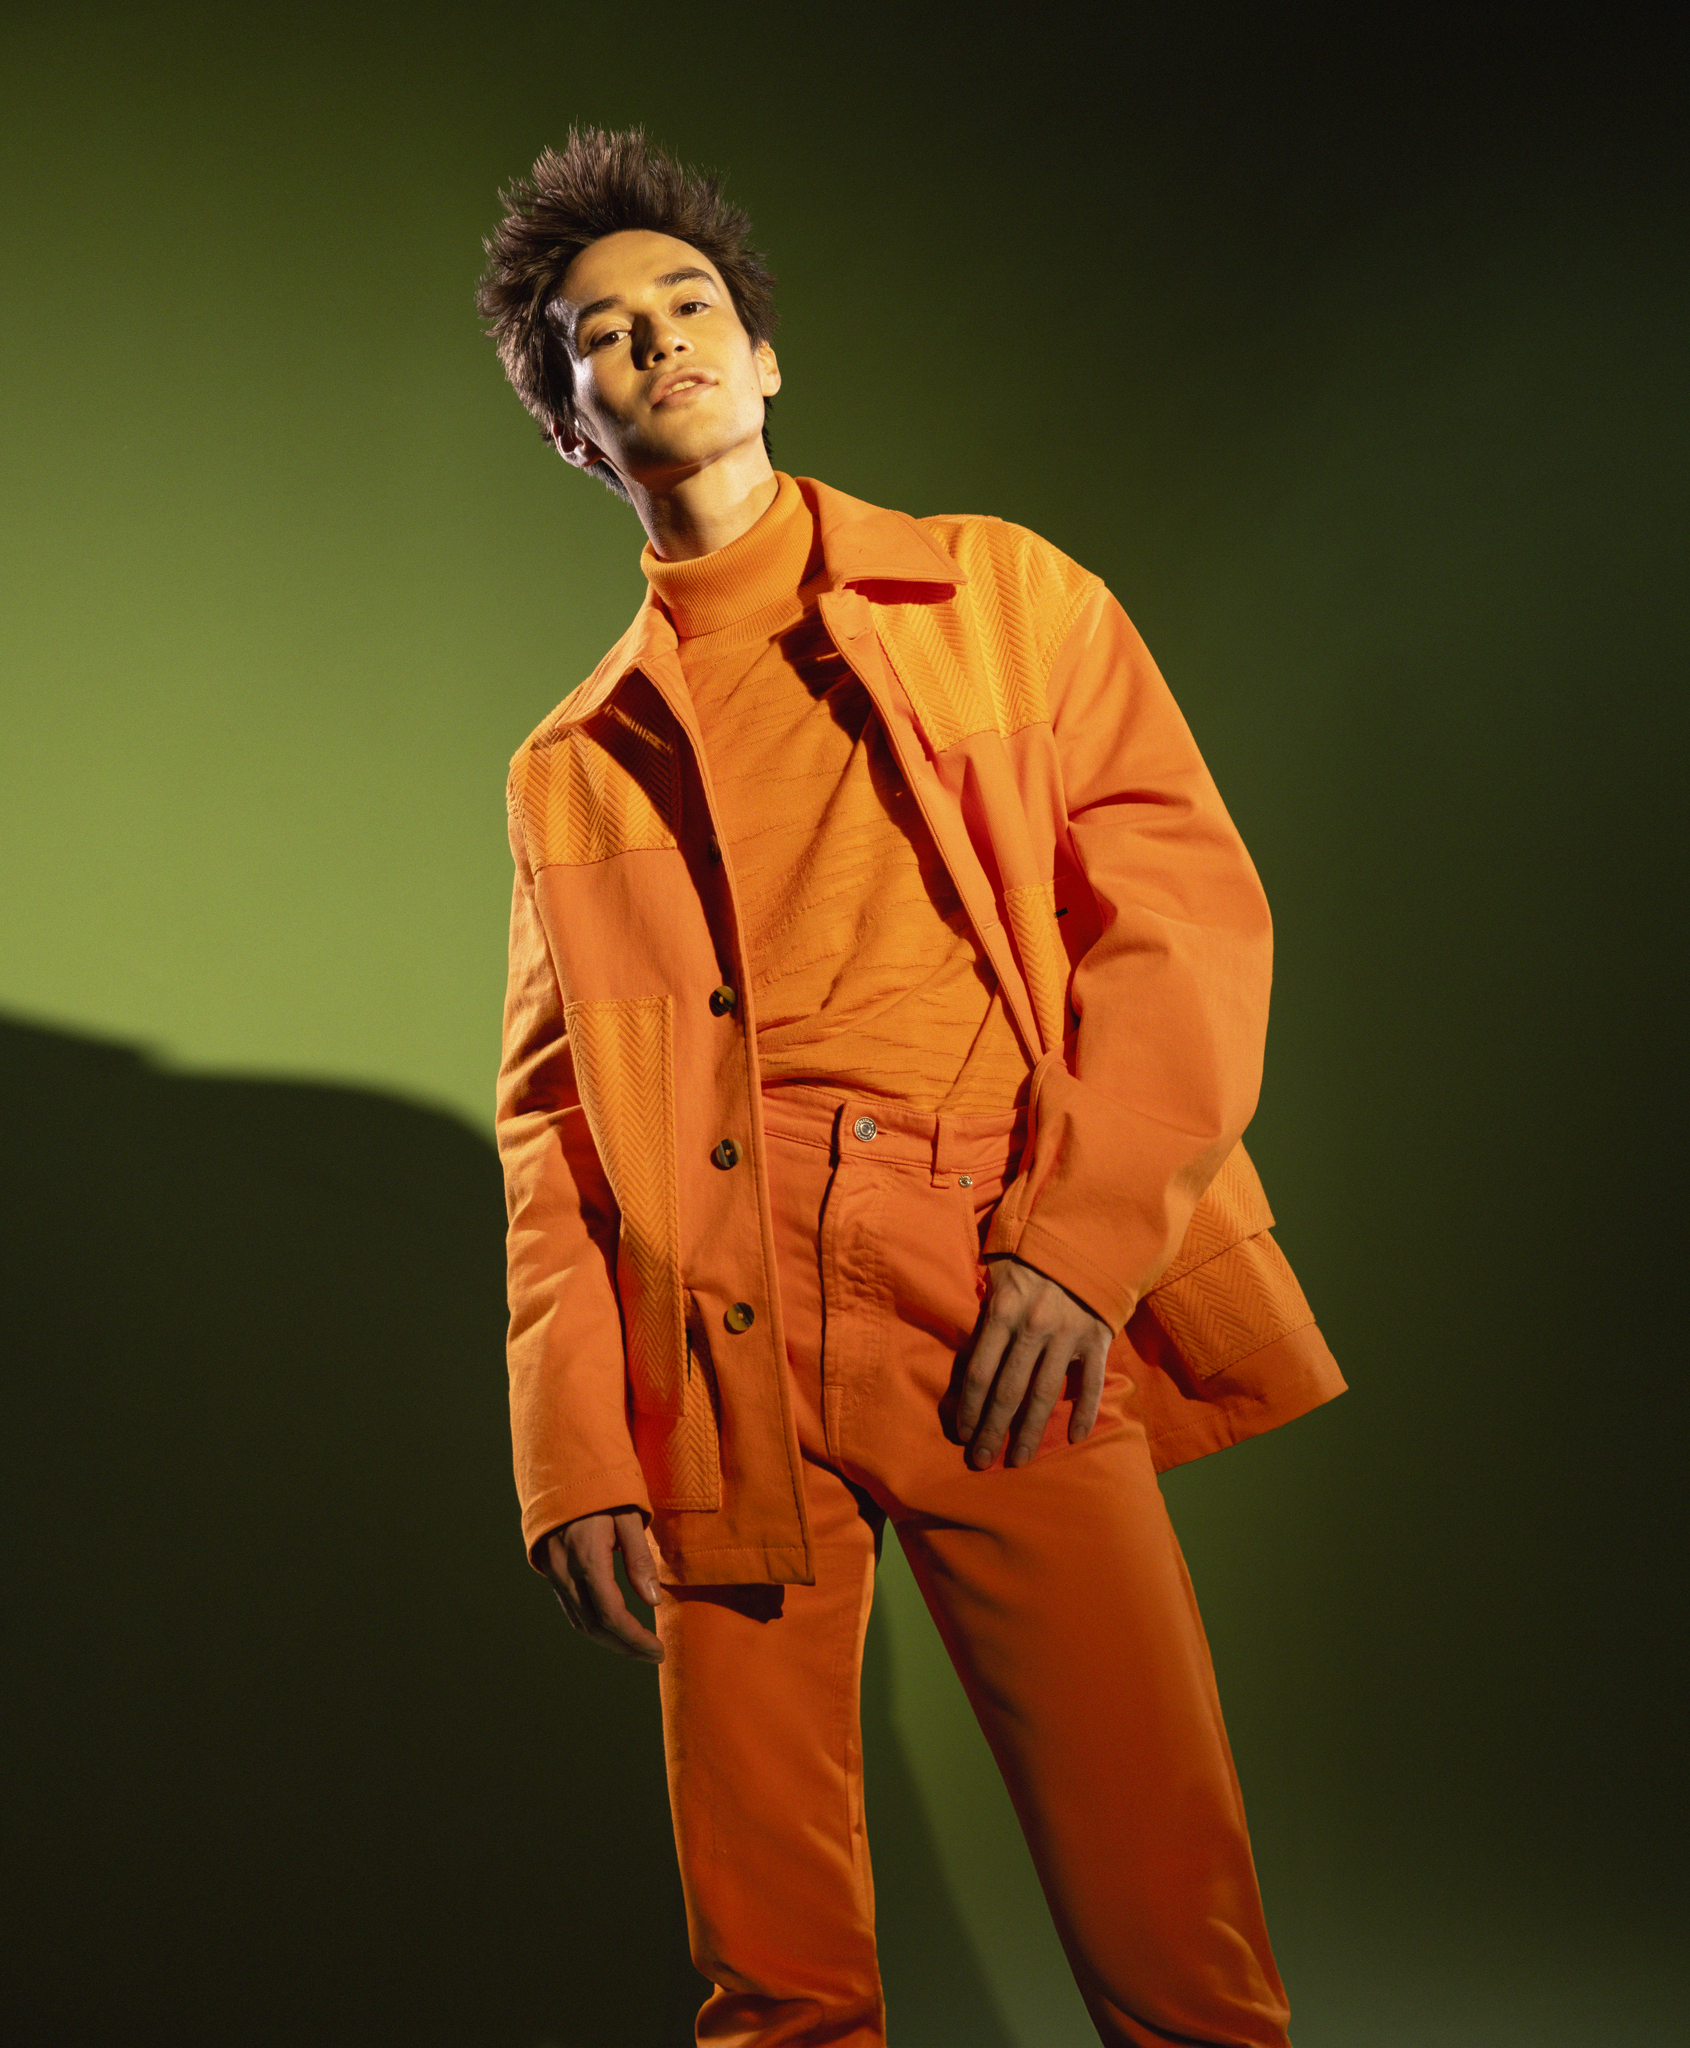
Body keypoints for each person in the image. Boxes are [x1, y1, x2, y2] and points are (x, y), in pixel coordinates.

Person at [477, 126, 1344, 2048]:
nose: (658, 340)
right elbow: (553, 1126)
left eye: (689, 303)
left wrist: (1076, 1252)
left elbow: (1183, 926)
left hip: (987, 1266)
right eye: (600, 335)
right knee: (771, 1964)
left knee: (1166, 1899)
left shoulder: (1003, 596)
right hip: (715, 1329)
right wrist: (576, 1452)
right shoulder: (570, 765)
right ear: (571, 428)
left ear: (764, 354)